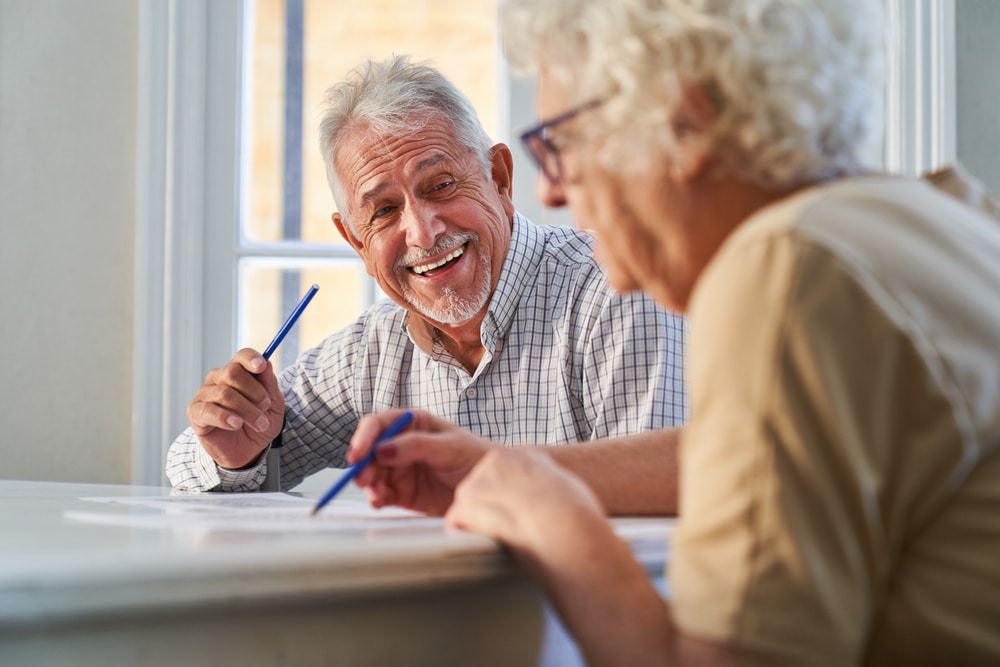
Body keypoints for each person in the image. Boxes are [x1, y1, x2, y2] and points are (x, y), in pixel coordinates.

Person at [348, 1, 1000, 664]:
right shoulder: (943, 215)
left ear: (680, 123)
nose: (551, 193)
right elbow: (757, 458)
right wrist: (511, 468)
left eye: (560, 144)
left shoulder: (786, 267)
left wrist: (557, 526)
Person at [166, 55, 687, 493]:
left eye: (440, 186)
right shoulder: (372, 350)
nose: (422, 231)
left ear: (500, 180)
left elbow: (661, 508)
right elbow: (187, 463)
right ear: (356, 242)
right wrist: (236, 450)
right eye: (384, 210)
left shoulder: (616, 292)